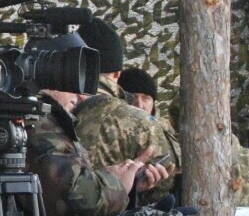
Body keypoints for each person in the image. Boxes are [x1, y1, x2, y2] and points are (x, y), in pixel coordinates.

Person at [71, 18, 179, 205]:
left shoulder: (47, 109)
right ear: (117, 74)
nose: (140, 103)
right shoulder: (142, 124)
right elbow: (165, 185)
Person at [30, 85, 168, 216]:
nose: (81, 96)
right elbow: (75, 200)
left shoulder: (46, 116)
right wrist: (118, 183)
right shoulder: (37, 116)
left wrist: (125, 182)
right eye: (70, 82)